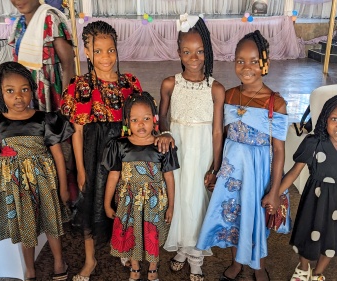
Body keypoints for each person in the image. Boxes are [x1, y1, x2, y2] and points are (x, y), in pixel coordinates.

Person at [196, 30, 288, 281]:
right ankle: (237, 263)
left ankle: (259, 266)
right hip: (232, 172)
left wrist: (275, 189)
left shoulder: (275, 103)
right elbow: (223, 136)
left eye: (253, 61)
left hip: (258, 176)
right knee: (235, 217)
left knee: (256, 219)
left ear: (265, 62)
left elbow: (279, 150)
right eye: (240, 60)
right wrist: (216, 170)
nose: (246, 67)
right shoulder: (230, 95)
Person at [0, 61, 73, 281]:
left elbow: (58, 156)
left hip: (44, 182)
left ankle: (58, 261)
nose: (18, 96)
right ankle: (30, 268)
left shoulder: (44, 119)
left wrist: (63, 187)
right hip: (14, 186)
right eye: (10, 91)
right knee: (25, 227)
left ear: (32, 90)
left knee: (51, 223)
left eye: (24, 89)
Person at [60, 21, 144, 281]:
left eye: (110, 50)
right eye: (98, 51)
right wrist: (82, 170)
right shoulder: (80, 86)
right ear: (86, 52)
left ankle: (127, 249)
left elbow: (137, 124)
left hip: (124, 155)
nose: (105, 57)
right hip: (93, 157)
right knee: (90, 207)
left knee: (125, 204)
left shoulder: (129, 83)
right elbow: (77, 132)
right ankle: (90, 258)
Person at [158, 14, 225, 281]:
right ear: (179, 53)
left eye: (199, 52)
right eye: (187, 52)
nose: (193, 57)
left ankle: (196, 257)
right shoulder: (170, 84)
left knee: (197, 202)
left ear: (207, 52)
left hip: (202, 151)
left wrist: (215, 167)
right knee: (180, 199)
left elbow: (218, 130)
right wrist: (164, 132)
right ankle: (183, 249)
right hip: (179, 150)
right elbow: (162, 116)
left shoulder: (215, 88)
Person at [280, 93, 337, 281]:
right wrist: (276, 193)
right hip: (314, 197)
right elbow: (294, 172)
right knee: (308, 230)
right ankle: (303, 267)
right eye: (334, 119)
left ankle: (318, 273)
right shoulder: (314, 143)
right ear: (325, 119)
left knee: (333, 236)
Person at [103, 91, 179, 281]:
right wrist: (106, 204)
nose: (141, 124)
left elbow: (169, 177)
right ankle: (134, 267)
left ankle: (153, 268)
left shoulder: (162, 146)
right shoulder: (119, 145)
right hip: (128, 201)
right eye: (135, 119)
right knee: (132, 232)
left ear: (154, 119)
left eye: (146, 118)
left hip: (155, 202)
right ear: (127, 121)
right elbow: (113, 176)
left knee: (152, 233)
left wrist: (171, 205)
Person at [9, 0, 75, 112]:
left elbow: (68, 66)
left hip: (49, 93)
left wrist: (66, 104)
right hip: (25, 92)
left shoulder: (50, 19)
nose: (17, 1)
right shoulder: (20, 22)